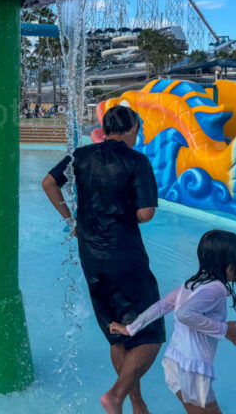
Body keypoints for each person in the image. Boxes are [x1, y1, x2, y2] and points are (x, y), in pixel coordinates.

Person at [42, 105, 162, 414]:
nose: (139, 133)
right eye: (138, 127)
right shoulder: (136, 161)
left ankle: (136, 405)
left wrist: (72, 222)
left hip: (92, 258)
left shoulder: (80, 156)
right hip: (126, 258)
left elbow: (49, 183)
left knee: (116, 333)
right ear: (130, 127)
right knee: (150, 334)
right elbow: (145, 214)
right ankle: (117, 395)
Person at [108, 230, 236, 414]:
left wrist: (131, 328)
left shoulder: (192, 284)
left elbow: (161, 306)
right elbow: (185, 313)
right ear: (230, 268)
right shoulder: (216, 289)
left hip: (175, 363)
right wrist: (224, 329)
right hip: (191, 370)